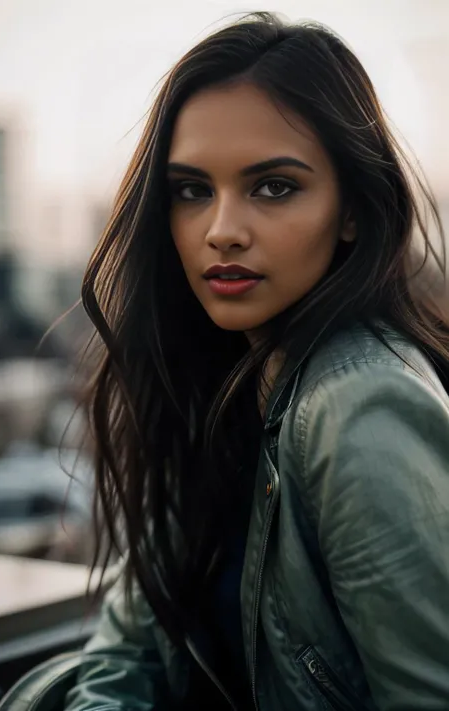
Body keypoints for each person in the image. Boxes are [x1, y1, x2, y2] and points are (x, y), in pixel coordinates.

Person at [65, 12, 449, 711]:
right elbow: (125, 649)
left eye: (274, 186)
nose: (221, 230)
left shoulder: (360, 407)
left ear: (353, 210)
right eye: (191, 190)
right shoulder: (213, 388)